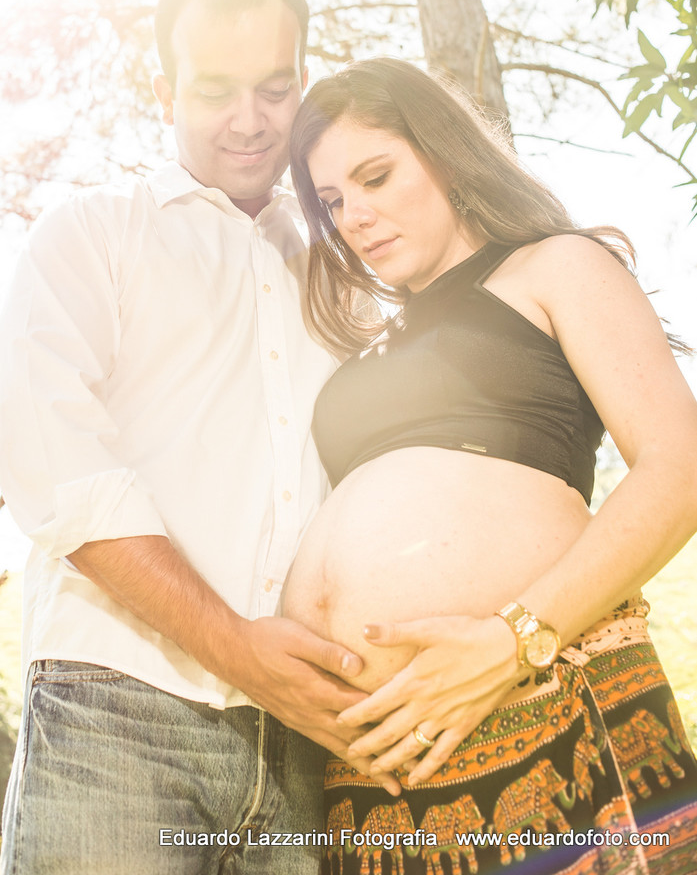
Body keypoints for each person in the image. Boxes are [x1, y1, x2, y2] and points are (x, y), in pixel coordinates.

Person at [0, 0, 386, 875]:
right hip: (114, 713)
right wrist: (236, 648)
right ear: (163, 88)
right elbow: (57, 475)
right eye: (213, 88)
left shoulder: (346, 265)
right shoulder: (89, 234)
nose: (248, 119)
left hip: (307, 743)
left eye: (274, 87)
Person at [285, 56, 697, 875]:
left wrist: (516, 640)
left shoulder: (552, 267)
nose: (353, 216)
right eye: (331, 202)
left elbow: (678, 466)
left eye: (375, 175)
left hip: (542, 704)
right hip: (380, 772)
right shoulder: (364, 352)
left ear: (442, 151)